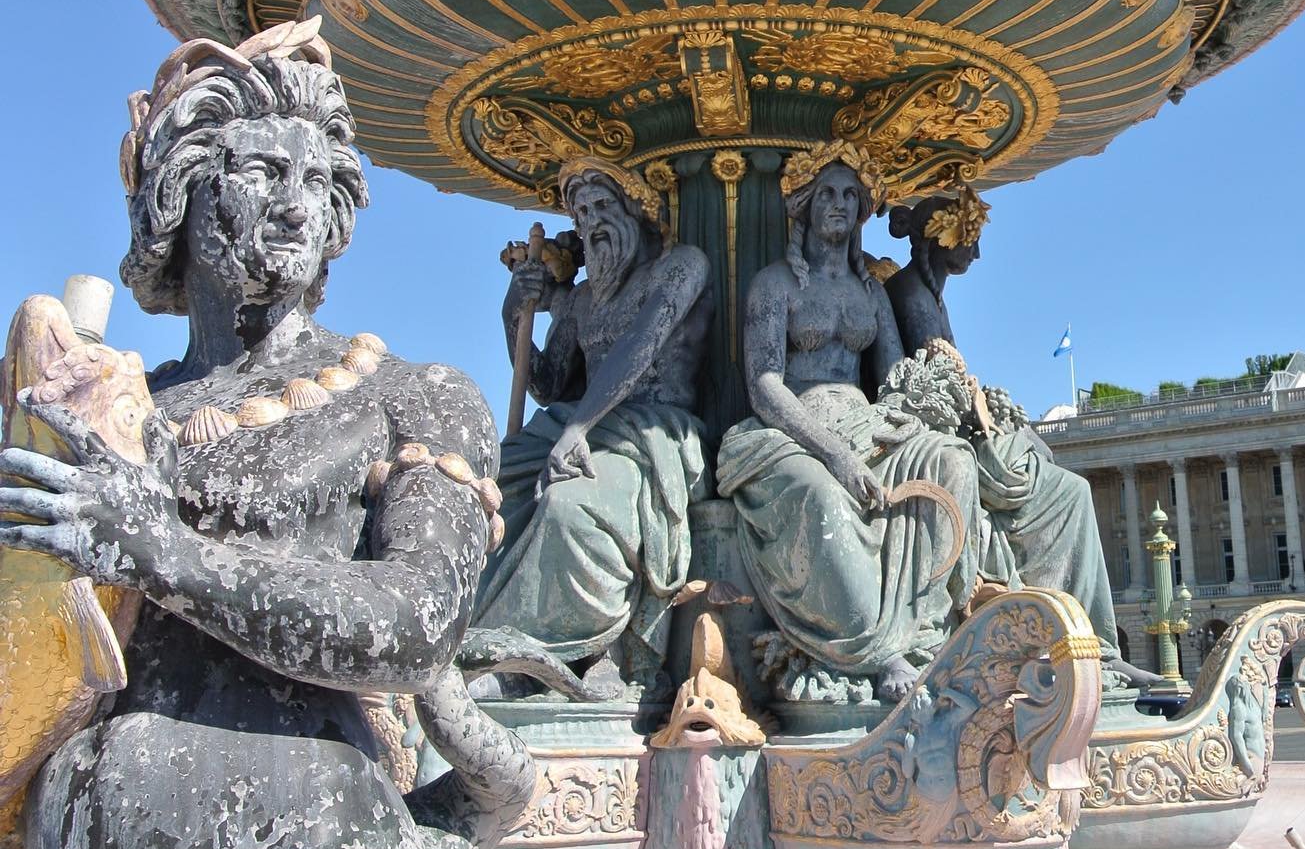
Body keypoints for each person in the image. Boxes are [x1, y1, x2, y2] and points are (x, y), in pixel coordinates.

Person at [0, 21, 600, 849]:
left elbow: (415, 622)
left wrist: (162, 553)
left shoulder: (407, 397)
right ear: (180, 196)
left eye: (321, 182)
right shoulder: (116, 415)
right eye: (262, 172)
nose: (295, 203)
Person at [716, 143, 999, 702]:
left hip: (864, 420)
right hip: (788, 431)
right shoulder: (775, 285)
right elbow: (764, 385)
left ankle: (929, 628)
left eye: (851, 194)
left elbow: (894, 378)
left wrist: (936, 401)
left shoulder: (869, 291)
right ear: (804, 204)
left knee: (952, 462)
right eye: (827, 193)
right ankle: (871, 647)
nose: (840, 204)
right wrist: (836, 454)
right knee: (820, 496)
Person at [471, 158, 713, 696]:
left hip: (652, 432)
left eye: (603, 206)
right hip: (576, 424)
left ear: (639, 209)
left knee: (568, 508)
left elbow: (639, 348)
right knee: (489, 484)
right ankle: (472, 633)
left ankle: (539, 659)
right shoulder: (582, 299)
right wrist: (514, 313)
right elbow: (550, 383)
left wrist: (579, 428)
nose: (592, 221)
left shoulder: (682, 267)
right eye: (581, 212)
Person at [885, 188, 1146, 683]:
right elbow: (931, 385)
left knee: (1056, 473)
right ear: (944, 236)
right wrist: (986, 415)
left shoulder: (930, 295)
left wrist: (993, 413)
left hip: (956, 427)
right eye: (970, 238)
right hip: (937, 434)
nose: (976, 253)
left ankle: (1087, 644)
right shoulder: (911, 294)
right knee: (1072, 492)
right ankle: (1077, 641)